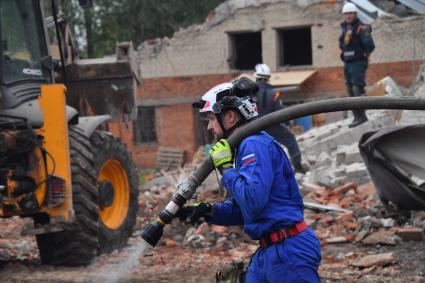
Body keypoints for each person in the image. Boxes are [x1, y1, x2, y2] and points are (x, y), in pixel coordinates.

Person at [178, 77, 321, 283]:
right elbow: (245, 209)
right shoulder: (247, 146)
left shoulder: (254, 144)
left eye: (211, 118)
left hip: (288, 252)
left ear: (229, 117)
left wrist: (226, 168)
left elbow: (253, 200)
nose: (209, 127)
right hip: (271, 251)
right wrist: (209, 211)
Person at [254, 63, 306, 173]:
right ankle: (298, 166)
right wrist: (289, 123)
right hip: (271, 125)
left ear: (257, 77)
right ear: (268, 78)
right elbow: (279, 111)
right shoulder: (273, 93)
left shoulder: (249, 93)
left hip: (254, 127)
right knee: (290, 139)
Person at [339, 2, 375, 128]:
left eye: (350, 13)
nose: (348, 16)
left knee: (357, 88)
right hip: (348, 63)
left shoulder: (361, 27)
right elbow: (342, 45)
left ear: (355, 14)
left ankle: (362, 116)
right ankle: (356, 116)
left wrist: (362, 55)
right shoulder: (344, 28)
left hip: (358, 63)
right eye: (346, 14)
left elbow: (370, 46)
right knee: (350, 89)